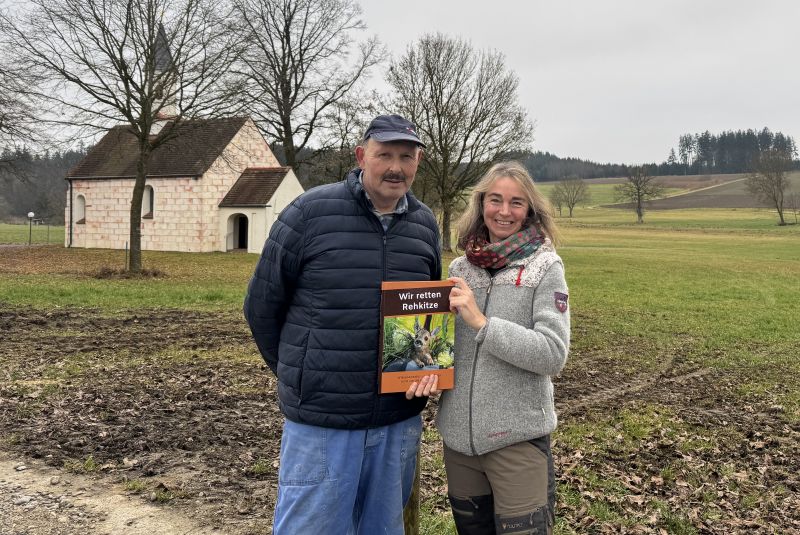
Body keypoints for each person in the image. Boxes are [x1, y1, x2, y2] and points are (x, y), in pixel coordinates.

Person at [243, 114, 442, 534]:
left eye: (406, 157)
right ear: (360, 156)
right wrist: (302, 374)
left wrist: (427, 372)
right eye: (384, 154)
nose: (395, 167)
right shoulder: (310, 212)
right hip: (323, 422)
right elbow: (261, 306)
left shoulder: (424, 225)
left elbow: (427, 316)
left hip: (396, 420)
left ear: (418, 162)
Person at [436, 161, 570, 534]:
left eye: (516, 203)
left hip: (517, 444)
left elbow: (552, 353)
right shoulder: (460, 269)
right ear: (481, 204)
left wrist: (482, 324)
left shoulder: (545, 267)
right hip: (460, 446)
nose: (504, 212)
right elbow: (444, 351)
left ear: (530, 210)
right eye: (495, 200)